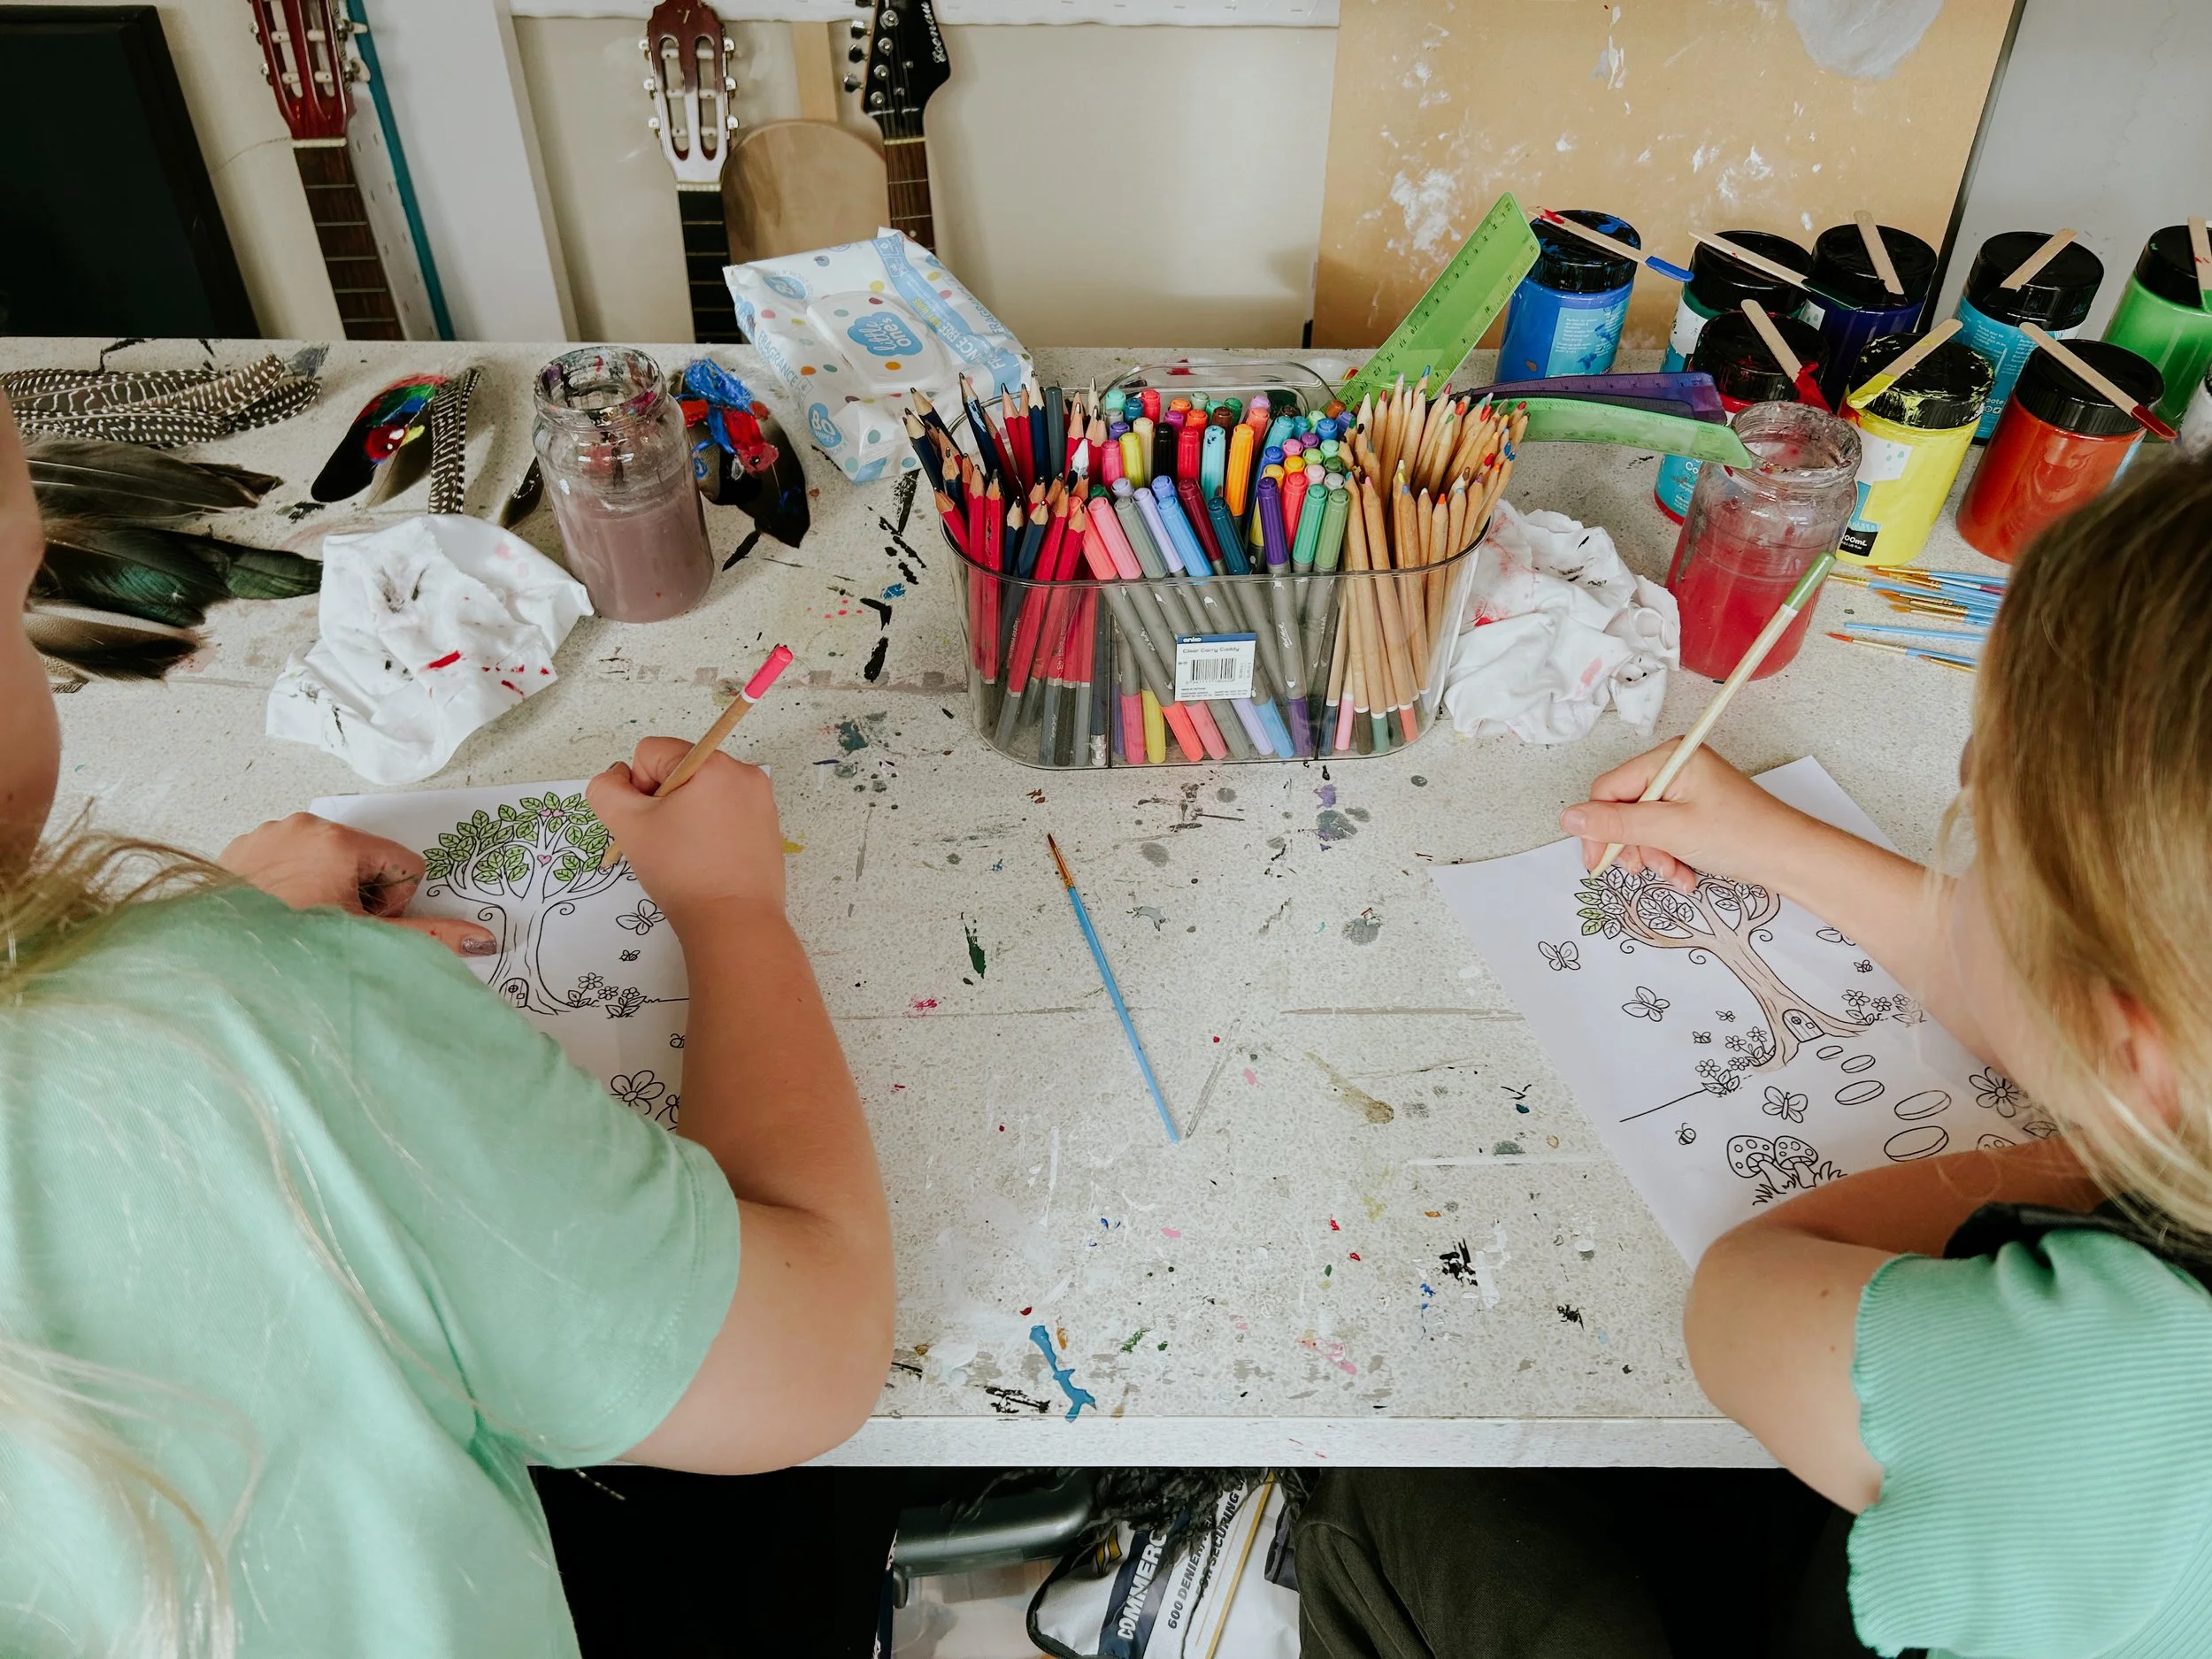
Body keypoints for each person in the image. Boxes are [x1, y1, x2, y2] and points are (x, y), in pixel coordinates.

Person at [0, 392, 895, 1655]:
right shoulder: (250, 1033)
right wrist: (731, 907)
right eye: (22, 604)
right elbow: (819, 1351)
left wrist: (204, 950)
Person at [1555, 452, 2212, 1657]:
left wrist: (2102, 1141)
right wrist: (1779, 845)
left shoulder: (2113, 1390)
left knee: (1406, 1505)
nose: (1960, 775)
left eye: (1991, 788)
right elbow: (2060, 1009)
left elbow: (1742, 1300)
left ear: (2136, 1063)